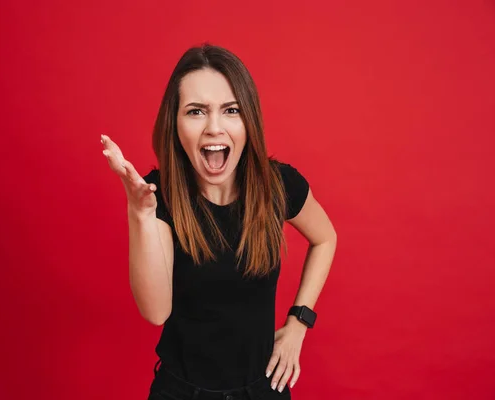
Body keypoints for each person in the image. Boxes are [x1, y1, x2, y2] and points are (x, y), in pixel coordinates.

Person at [101, 44, 337, 400]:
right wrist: (141, 215)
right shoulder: (159, 195)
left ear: (249, 120)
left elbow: (325, 238)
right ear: (175, 123)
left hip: (263, 390)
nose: (214, 127)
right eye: (196, 111)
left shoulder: (278, 185)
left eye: (231, 110)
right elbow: (155, 311)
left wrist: (299, 322)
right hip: (182, 392)